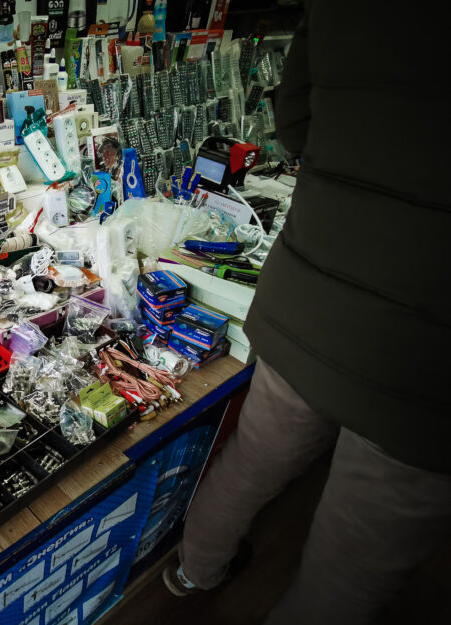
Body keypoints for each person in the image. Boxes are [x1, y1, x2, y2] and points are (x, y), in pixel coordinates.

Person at [161, 2, 451, 624]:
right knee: (353, 560)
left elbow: (294, 122)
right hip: (422, 359)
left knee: (253, 459)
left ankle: (192, 570)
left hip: (309, 298)